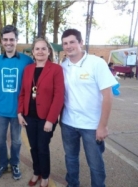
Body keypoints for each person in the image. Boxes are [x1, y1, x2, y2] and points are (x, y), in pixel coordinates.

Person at [60, 29, 118, 187]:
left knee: (95, 164)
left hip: (92, 126)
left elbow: (108, 95)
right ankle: (73, 184)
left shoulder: (96, 63)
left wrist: (103, 126)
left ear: (81, 43)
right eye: (65, 43)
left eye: (72, 42)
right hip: (68, 123)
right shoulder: (63, 66)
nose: (68, 46)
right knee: (71, 159)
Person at [18, 38, 64, 187]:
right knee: (33, 147)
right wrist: (20, 113)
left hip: (46, 117)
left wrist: (51, 120)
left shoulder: (56, 69)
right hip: (29, 116)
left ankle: (45, 176)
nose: (40, 51)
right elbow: (23, 92)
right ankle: (36, 172)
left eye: (43, 48)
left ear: (49, 51)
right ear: (33, 52)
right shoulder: (28, 69)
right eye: (37, 49)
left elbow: (59, 96)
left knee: (42, 147)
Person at [0, 25, 33, 180]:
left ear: (17, 40)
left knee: (16, 141)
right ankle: (2, 163)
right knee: (0, 140)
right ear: (2, 41)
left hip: (19, 111)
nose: (8, 42)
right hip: (0, 109)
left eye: (12, 39)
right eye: (5, 39)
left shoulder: (27, 61)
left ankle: (14, 163)